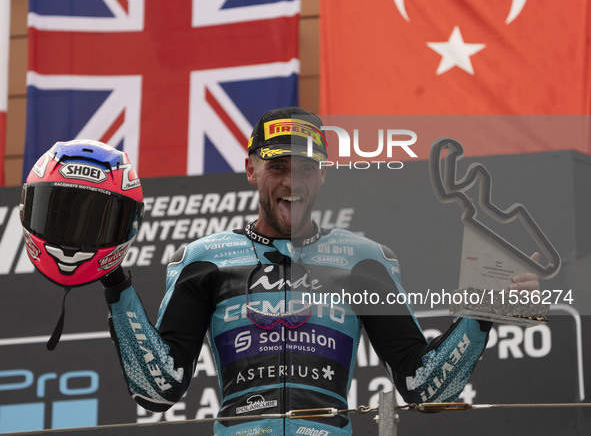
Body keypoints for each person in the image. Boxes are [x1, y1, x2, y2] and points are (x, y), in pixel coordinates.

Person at [100, 107, 540, 435]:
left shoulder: (363, 260)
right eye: (278, 167)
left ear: (324, 175)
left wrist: (482, 316)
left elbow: (425, 390)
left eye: (307, 167)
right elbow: (158, 390)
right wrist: (115, 280)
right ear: (251, 169)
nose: (293, 182)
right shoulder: (205, 260)